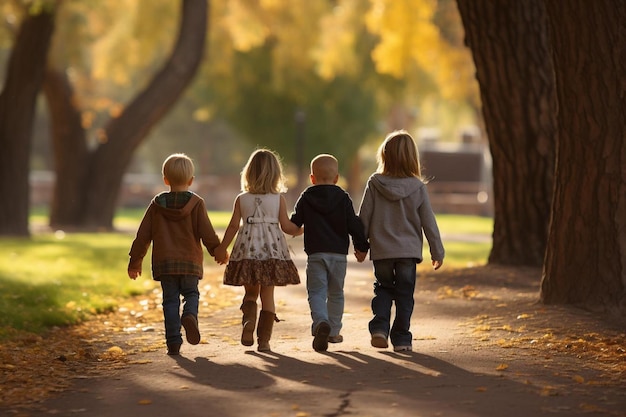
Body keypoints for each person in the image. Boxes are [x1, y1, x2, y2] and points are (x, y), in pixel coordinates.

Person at [357, 130, 445, 352]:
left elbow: (364, 217)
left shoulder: (375, 183)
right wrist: (437, 251)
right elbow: (429, 223)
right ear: (412, 158)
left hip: (382, 251)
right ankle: (402, 338)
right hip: (408, 252)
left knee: (383, 288)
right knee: (405, 295)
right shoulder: (418, 187)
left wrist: (360, 245)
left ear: (384, 156)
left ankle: (379, 328)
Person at [128, 153, 223, 356]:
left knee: (170, 301)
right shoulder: (197, 204)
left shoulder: (156, 205)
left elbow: (143, 235)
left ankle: (173, 341)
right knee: (191, 294)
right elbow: (207, 232)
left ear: (165, 180)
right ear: (191, 181)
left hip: (165, 264)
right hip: (190, 263)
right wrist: (217, 251)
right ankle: (190, 314)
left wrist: (135, 261)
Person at [214, 149, 302, 352]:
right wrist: (304, 230)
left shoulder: (241, 199)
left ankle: (249, 321)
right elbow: (287, 227)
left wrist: (221, 248)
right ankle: (264, 342)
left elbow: (233, 226)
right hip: (272, 253)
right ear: (275, 174)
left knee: (251, 293)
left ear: (249, 172)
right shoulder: (278, 199)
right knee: (268, 297)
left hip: (247, 253)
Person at [290, 154, 369, 352]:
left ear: (312, 178)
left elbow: (295, 222)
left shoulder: (307, 196)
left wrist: (290, 226)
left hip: (316, 254)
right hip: (338, 255)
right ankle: (333, 331)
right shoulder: (343, 198)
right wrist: (362, 247)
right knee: (336, 293)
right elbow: (354, 224)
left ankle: (320, 322)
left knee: (316, 292)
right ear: (336, 178)